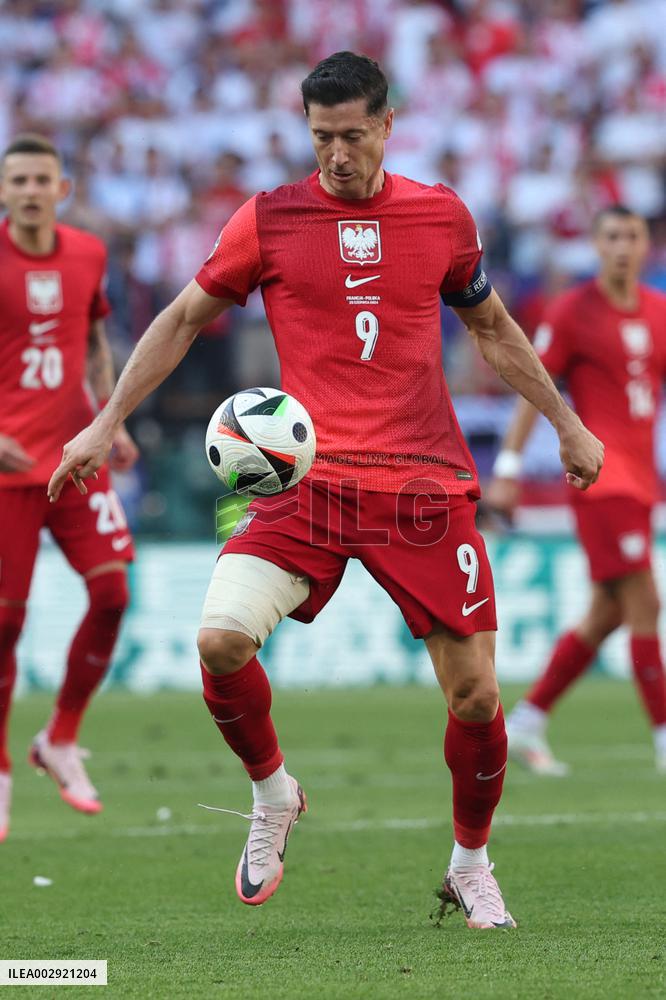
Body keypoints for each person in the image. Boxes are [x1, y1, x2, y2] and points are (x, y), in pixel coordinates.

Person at [48, 53, 603, 929]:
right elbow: (184, 320)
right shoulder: (268, 219)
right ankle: (274, 794)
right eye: (320, 137)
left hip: (424, 485)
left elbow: (491, 328)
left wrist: (566, 425)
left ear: (387, 124)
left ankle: (470, 862)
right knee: (220, 640)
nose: (336, 154)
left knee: (478, 698)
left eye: (351, 135)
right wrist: (101, 420)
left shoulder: (441, 215)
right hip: (307, 484)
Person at [487, 205, 666, 776]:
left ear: (646, 245)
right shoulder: (571, 312)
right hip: (600, 479)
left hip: (642, 481)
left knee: (606, 613)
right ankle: (664, 737)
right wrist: (510, 466)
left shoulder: (661, 312)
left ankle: (529, 719)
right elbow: (531, 387)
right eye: (611, 235)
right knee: (645, 603)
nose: (622, 246)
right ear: (595, 243)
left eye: (632, 235)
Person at [0, 134, 138, 841]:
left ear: (62, 189)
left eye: (40, 179)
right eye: (17, 178)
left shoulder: (87, 253)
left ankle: (59, 738)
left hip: (76, 454)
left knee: (113, 592)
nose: (28, 189)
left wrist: (109, 418)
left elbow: (92, 341)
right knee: (5, 623)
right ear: (3, 190)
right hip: (7, 468)